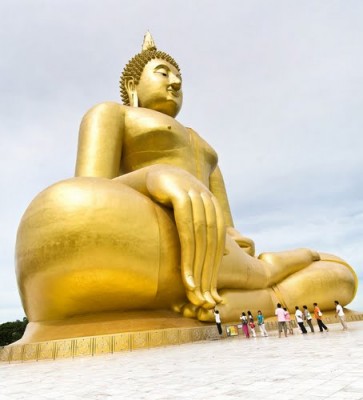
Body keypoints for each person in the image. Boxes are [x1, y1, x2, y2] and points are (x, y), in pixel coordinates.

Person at [15, 32, 358, 344]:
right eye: (162, 73)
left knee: (341, 273)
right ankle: (255, 287)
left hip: (216, 253)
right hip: (152, 235)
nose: (175, 81)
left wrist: (236, 244)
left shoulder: (204, 147)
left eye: (178, 76)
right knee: (64, 209)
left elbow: (227, 226)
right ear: (134, 85)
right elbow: (90, 188)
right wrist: (152, 177)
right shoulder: (112, 114)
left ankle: (257, 295)